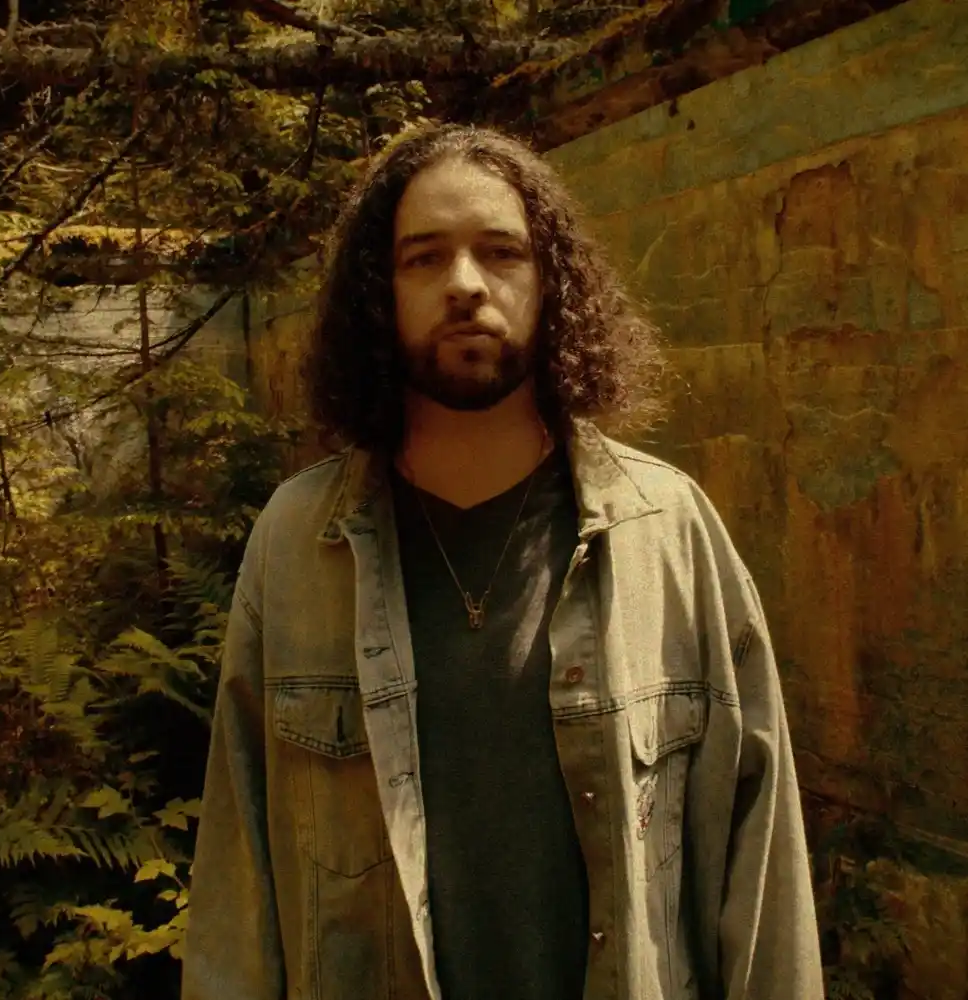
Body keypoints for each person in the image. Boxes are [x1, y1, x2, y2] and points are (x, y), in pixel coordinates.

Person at [181, 124, 823, 1000]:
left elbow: (762, 871)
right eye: (424, 258)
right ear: (378, 293)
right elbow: (238, 882)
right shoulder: (295, 544)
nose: (465, 284)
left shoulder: (670, 533)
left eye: (500, 251)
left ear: (553, 282)